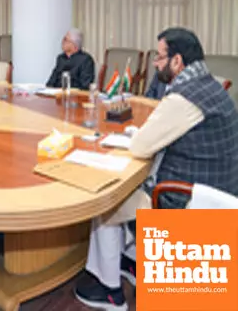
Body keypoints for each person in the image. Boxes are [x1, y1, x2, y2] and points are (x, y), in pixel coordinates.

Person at [75, 27, 238, 310]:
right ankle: (133, 263)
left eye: (160, 57)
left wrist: (133, 136)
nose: (155, 63)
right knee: (138, 181)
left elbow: (140, 147)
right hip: (220, 195)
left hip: (186, 201)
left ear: (178, 61)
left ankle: (109, 290)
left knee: (108, 199)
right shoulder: (209, 85)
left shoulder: (183, 97)